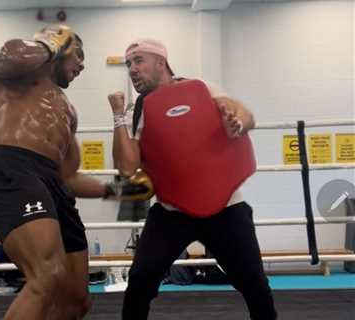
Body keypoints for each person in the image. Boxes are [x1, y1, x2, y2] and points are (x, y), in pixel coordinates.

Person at [0, 25, 151, 320]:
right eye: (79, 55)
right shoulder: (9, 74)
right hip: (11, 167)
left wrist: (117, 190)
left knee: (75, 300)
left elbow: (69, 178)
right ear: (61, 47)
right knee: (46, 276)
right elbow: (7, 58)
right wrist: (50, 44)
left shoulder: (67, 110)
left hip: (51, 184)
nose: (82, 65)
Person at [108, 39, 277, 320]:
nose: (132, 70)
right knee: (140, 281)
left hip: (225, 207)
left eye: (139, 61)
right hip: (172, 213)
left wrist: (238, 121)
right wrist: (117, 116)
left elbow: (245, 114)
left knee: (254, 284)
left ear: (161, 63)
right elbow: (127, 167)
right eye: (128, 64)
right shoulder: (141, 108)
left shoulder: (201, 87)